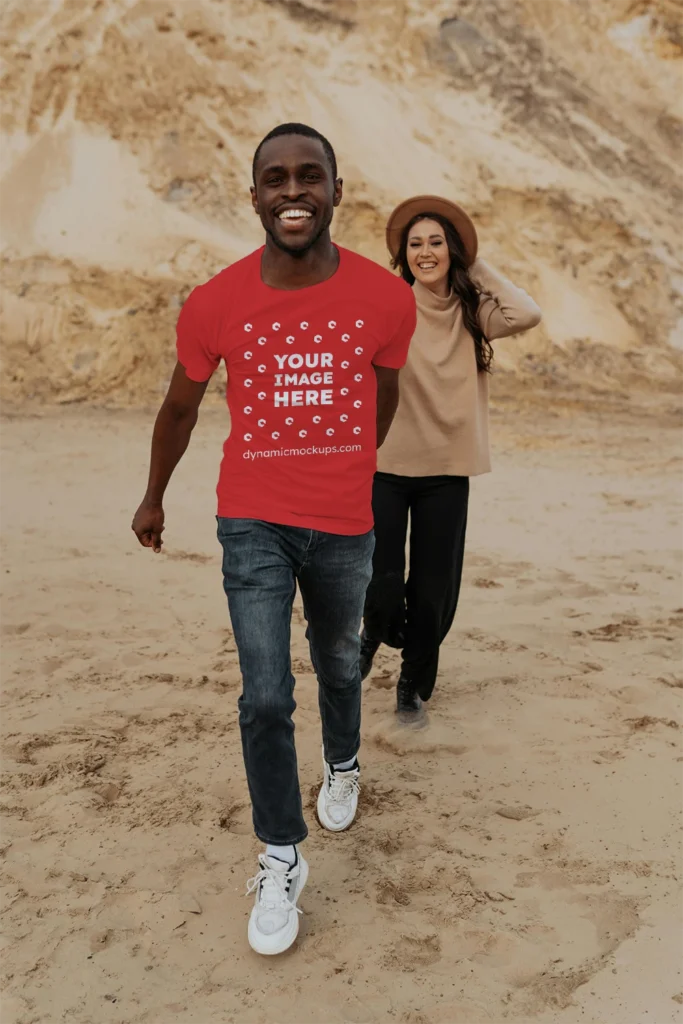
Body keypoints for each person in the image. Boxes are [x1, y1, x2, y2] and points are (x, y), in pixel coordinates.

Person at [131, 124, 416, 956]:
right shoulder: (215, 301)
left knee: (336, 662)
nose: (293, 192)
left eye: (309, 177)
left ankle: (342, 762)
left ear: (335, 188)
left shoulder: (383, 298)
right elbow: (180, 407)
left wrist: (354, 470)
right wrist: (154, 496)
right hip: (250, 517)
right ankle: (280, 852)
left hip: (342, 522)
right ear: (253, 194)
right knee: (262, 693)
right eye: (275, 179)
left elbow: (381, 396)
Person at [360, 195, 542, 722]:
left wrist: (473, 262)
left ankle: (411, 686)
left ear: (452, 249)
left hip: (447, 470)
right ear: (403, 254)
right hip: (387, 467)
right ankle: (372, 630)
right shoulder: (389, 304)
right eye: (414, 244)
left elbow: (526, 313)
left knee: (433, 588)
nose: (425, 252)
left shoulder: (474, 310)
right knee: (382, 577)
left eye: (436, 242)